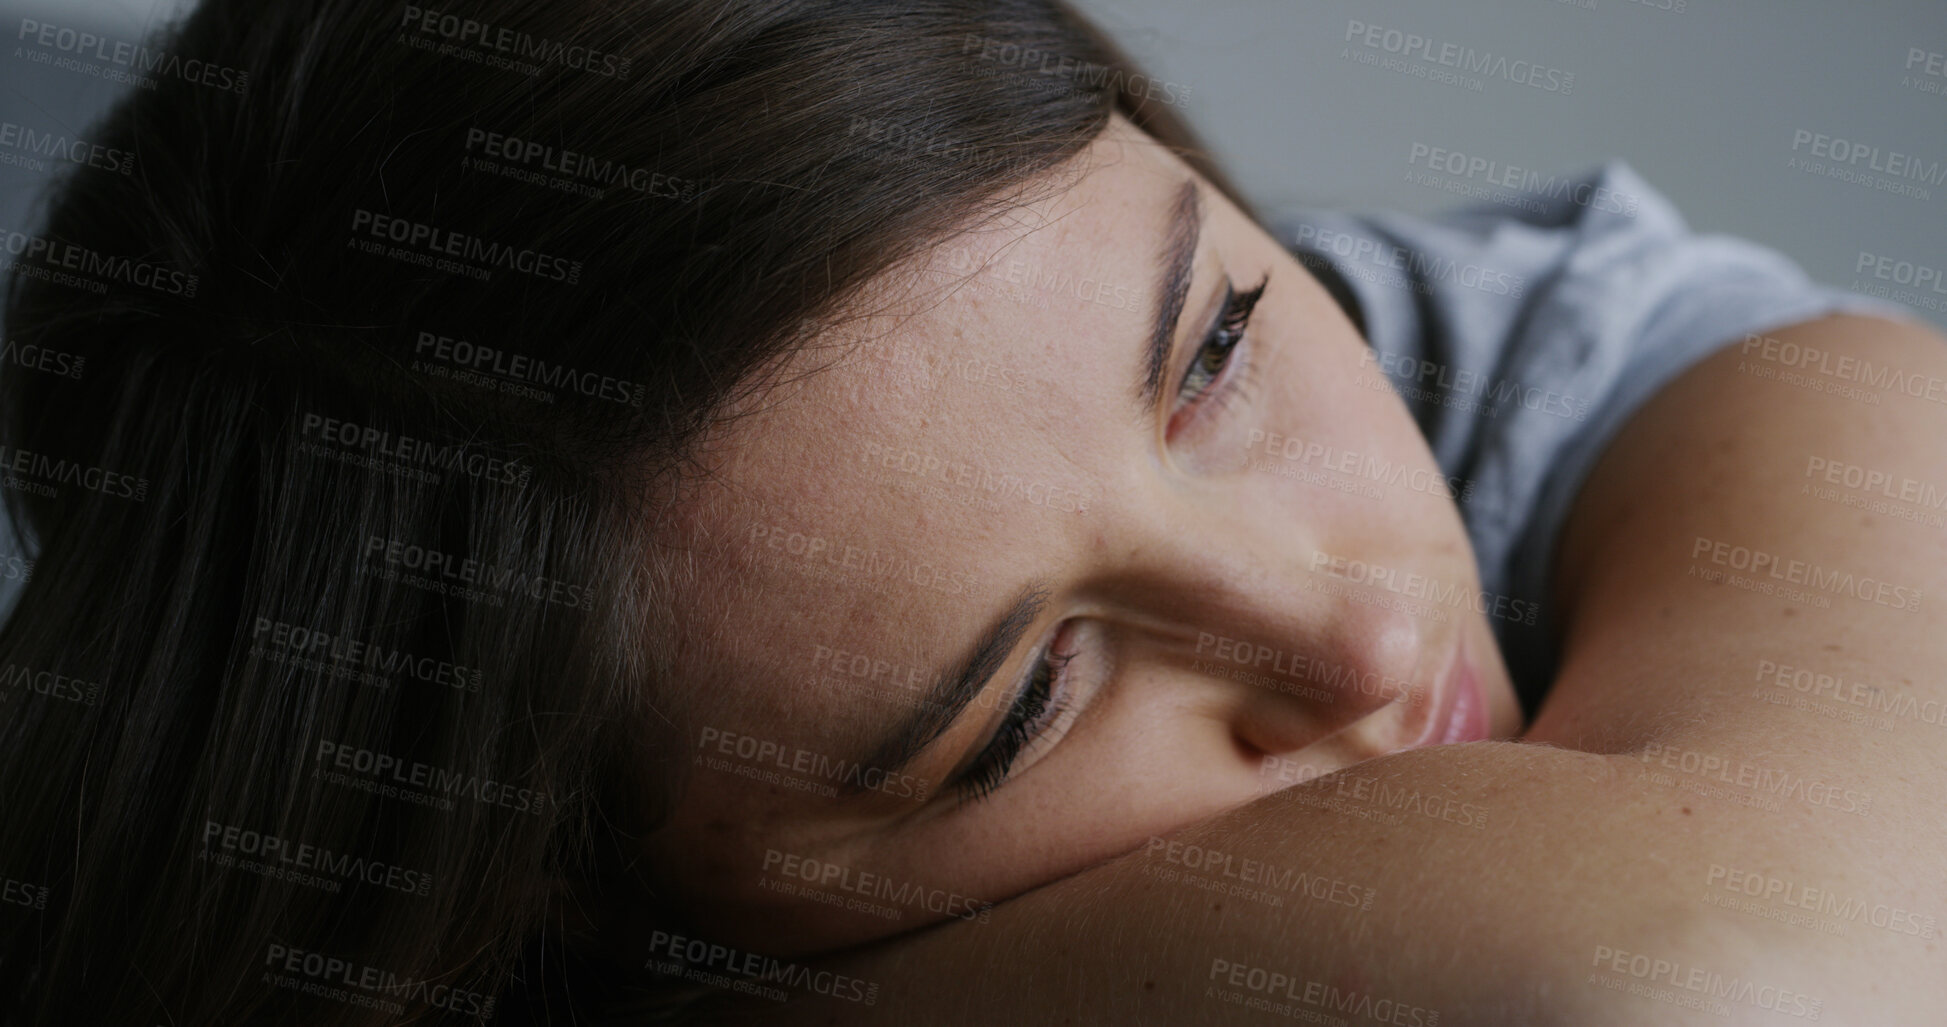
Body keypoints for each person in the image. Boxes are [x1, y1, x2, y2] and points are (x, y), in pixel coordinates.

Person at [1, 0, 1942, 1024]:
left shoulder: (1639, 380)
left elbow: (1708, 996)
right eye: (1022, 703)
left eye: (1214, 356)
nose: (1347, 636)